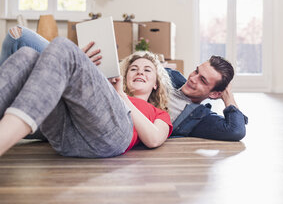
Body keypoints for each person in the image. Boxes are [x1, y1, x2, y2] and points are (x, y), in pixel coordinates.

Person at [0, 26, 247, 143]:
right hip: (97, 93)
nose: (192, 78)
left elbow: (235, 130)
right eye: (196, 71)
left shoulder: (197, 118)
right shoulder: (172, 77)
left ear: (214, 93)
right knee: (19, 37)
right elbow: (124, 71)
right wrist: (89, 66)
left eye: (202, 80)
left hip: (103, 118)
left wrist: (228, 97)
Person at [0, 29, 173, 157]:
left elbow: (154, 139)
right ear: (125, 76)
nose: (140, 72)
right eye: (133, 69)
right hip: (67, 136)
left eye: (147, 70)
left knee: (62, 45)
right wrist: (75, 65)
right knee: (27, 55)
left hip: (114, 136)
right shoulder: (106, 91)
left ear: (156, 84)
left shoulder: (160, 113)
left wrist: (122, 97)